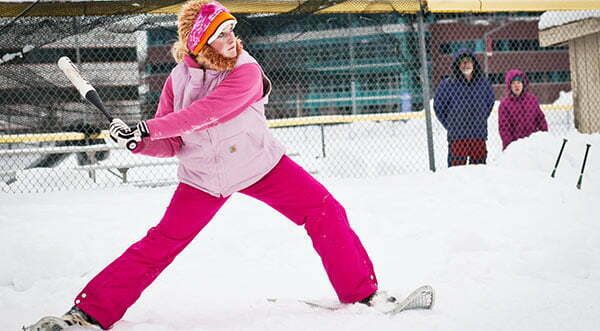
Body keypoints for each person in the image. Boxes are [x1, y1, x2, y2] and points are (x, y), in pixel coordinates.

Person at [25, 1, 432, 330]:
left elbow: (207, 113)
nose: (232, 40)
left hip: (261, 165)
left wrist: (144, 127)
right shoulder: (176, 81)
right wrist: (136, 143)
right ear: (200, 45)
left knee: (325, 210)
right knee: (160, 243)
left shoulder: (246, 71)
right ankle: (90, 314)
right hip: (203, 178)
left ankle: (361, 293)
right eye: (221, 36)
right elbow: (172, 143)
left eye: (231, 30)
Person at [434, 49, 495, 167]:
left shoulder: (483, 83)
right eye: (462, 62)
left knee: (479, 169)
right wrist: (450, 124)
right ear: (457, 65)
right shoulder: (447, 84)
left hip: (478, 134)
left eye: (468, 61)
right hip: (457, 136)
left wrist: (481, 117)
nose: (466, 64)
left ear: (474, 64)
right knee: (456, 171)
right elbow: (438, 106)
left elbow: (490, 102)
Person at [498, 69, 548, 150]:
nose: (516, 86)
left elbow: (540, 119)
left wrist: (542, 138)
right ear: (509, 86)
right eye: (513, 83)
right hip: (514, 146)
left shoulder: (532, 100)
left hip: (533, 144)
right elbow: (504, 128)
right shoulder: (504, 104)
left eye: (519, 82)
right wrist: (511, 147)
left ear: (523, 84)